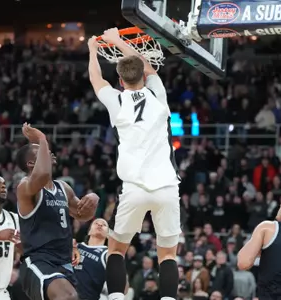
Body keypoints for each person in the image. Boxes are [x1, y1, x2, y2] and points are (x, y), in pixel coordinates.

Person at [87, 28, 181, 300]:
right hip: (166, 186)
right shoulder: (158, 94)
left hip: (134, 187)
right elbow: (147, 66)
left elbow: (95, 79)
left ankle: (116, 298)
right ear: (143, 76)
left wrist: (94, 48)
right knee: (168, 254)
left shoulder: (117, 100)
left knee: (116, 250)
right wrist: (118, 41)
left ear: (119, 80)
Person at [15, 123, 99, 300]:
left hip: (64, 262)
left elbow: (83, 214)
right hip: (39, 260)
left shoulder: (63, 187)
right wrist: (42, 138)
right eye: (41, 152)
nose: (49, 152)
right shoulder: (25, 187)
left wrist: (93, 198)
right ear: (31, 163)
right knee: (67, 297)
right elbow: (43, 174)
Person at [74, 218, 109, 300]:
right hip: (64, 294)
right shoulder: (75, 246)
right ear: (89, 231)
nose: (100, 225)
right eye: (96, 223)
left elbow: (123, 287)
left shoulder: (108, 254)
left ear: (108, 235)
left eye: (104, 225)